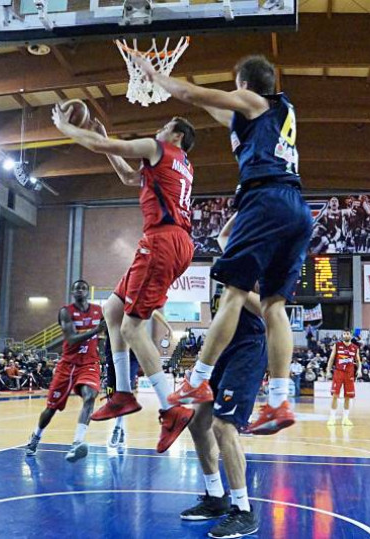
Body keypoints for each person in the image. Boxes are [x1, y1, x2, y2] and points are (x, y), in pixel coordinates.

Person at [136, 54, 312, 435]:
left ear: (245, 85)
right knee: (273, 305)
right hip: (297, 209)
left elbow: (192, 93)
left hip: (265, 198)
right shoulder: (263, 120)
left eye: (236, 86)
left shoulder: (256, 101)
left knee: (234, 293)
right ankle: (279, 401)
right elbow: (210, 107)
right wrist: (196, 103)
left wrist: (155, 75)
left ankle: (198, 376)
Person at [53, 106, 197, 453]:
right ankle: (121, 393)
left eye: (166, 125)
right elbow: (130, 178)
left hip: (162, 240)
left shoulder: (159, 148)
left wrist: (65, 128)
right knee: (112, 310)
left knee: (133, 328)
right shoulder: (183, 165)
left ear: (176, 136)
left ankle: (171, 407)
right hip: (176, 241)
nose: (159, 129)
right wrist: (103, 138)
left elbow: (108, 148)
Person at [180, 217, 265, 538]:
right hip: (219, 349)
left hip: (247, 347)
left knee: (222, 424)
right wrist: (245, 204)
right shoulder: (237, 253)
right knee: (197, 422)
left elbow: (270, 312)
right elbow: (223, 233)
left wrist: (237, 287)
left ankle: (243, 509)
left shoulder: (268, 261)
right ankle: (216, 497)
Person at [25, 280, 106, 462]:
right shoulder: (66, 312)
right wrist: (95, 331)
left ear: (87, 292)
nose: (80, 290)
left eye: (83, 288)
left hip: (89, 363)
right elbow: (71, 339)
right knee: (51, 409)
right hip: (68, 365)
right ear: (72, 292)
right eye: (77, 288)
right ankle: (36, 436)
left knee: (90, 396)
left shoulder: (98, 311)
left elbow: (107, 329)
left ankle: (77, 442)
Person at [105, 310, 172, 450]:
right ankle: (121, 428)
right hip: (112, 354)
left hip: (130, 356)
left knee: (123, 392)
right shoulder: (112, 307)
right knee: (112, 397)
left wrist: (168, 326)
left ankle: (117, 428)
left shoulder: (135, 304)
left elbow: (153, 312)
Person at [326, 330, 361, 426]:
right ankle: (332, 418)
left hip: (349, 374)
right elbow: (331, 359)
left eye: (348, 334)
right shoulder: (337, 345)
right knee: (335, 396)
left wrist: (359, 370)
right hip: (339, 373)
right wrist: (328, 370)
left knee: (347, 397)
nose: (346, 335)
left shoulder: (355, 348)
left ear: (350, 335)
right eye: (344, 334)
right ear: (342, 335)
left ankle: (345, 419)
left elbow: (358, 361)